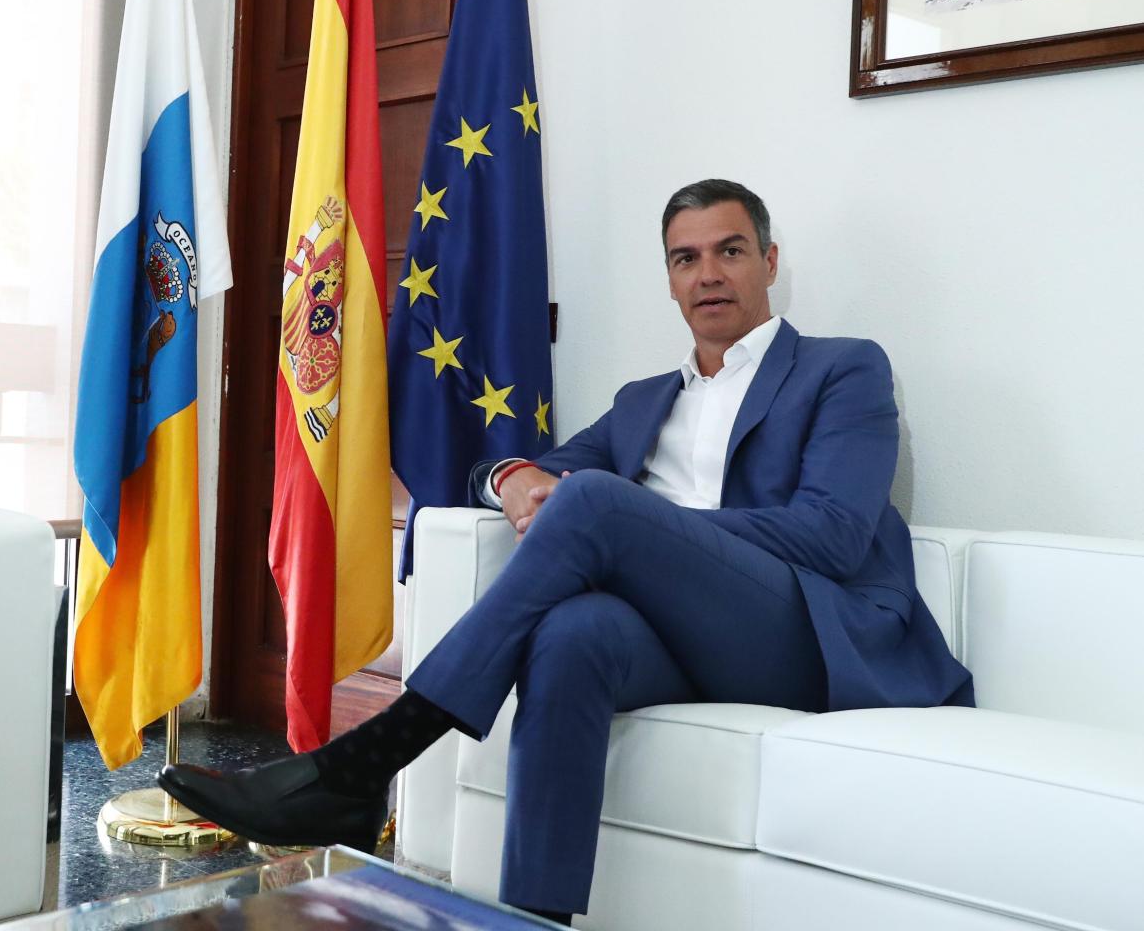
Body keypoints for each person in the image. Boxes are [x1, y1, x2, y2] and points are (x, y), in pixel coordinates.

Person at [159, 180, 973, 925]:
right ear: (668, 280)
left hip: (805, 635)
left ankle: (367, 761)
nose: (709, 274)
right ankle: (533, 918)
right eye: (685, 259)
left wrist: (648, 529)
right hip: (688, 640)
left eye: (729, 251)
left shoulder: (843, 368)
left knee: (594, 505)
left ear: (769, 260)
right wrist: (510, 477)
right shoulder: (644, 403)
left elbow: (830, 534)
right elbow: (527, 474)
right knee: (572, 635)